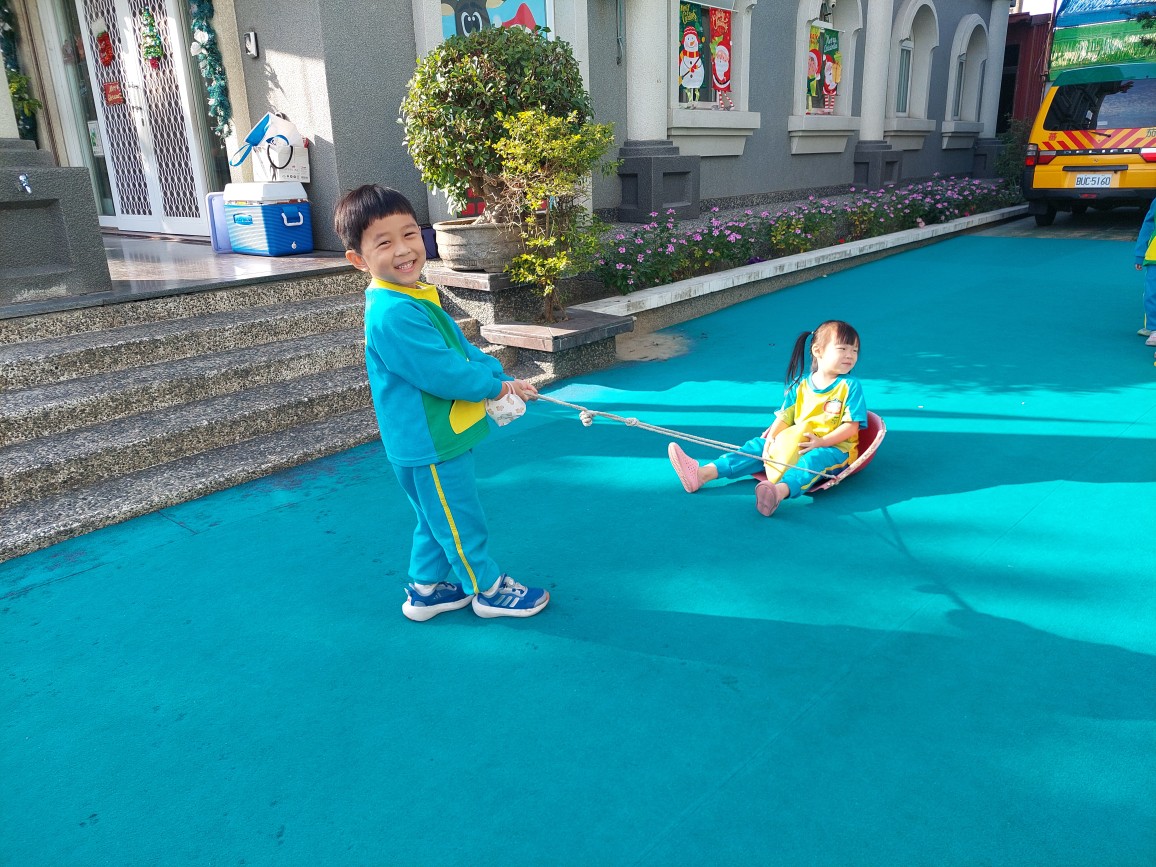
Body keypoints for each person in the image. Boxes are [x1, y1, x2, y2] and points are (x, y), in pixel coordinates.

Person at [333, 184, 549, 621]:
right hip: (429, 442)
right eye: (384, 243)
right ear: (358, 259)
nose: (403, 250)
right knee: (460, 519)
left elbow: (460, 351)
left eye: (409, 234)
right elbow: (443, 373)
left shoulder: (411, 295)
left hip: (432, 438)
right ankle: (487, 590)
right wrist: (494, 389)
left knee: (437, 517)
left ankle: (426, 589)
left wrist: (502, 379)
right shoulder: (393, 312)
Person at [667, 319, 867, 517]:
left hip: (835, 449)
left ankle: (778, 492)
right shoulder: (801, 385)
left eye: (855, 350)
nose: (850, 355)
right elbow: (786, 416)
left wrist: (821, 442)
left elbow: (851, 427)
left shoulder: (849, 386)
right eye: (842, 349)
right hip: (799, 441)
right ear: (818, 351)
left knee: (814, 460)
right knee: (757, 447)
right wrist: (772, 438)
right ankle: (702, 474)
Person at [1133, 197, 1156, 346]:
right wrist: (1140, 254)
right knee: (1151, 293)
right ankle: (1154, 328)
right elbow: (1147, 226)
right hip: (1154, 257)